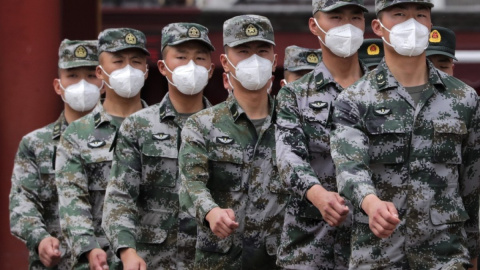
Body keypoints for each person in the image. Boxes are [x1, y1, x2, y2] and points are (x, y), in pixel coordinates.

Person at [330, 0, 479, 269]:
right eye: (399, 14)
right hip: (378, 254)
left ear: (430, 25)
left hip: (445, 255)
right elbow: (349, 166)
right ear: (377, 26)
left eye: (420, 15)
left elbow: (472, 182)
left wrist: (473, 249)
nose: (412, 24)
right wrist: (371, 202)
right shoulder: (354, 100)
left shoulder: (464, 99)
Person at [102, 22, 215, 270]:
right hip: (154, 261)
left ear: (211, 69)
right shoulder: (138, 126)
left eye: (199, 58)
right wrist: (127, 252)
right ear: (163, 67)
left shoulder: (225, 127)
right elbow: (120, 197)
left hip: (211, 259)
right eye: (182, 57)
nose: (191, 66)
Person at [179, 14, 288, 269]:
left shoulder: (292, 123)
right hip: (221, 259)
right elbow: (190, 185)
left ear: (274, 61)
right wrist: (211, 211)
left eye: (262, 51)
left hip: (279, 258)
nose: (254, 60)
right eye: (244, 51)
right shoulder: (201, 125)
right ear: (226, 62)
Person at [275, 0, 368, 269]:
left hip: (374, 245)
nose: (347, 27)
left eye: (355, 18)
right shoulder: (295, 94)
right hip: (310, 243)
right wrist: (318, 195)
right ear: (314, 25)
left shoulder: (383, 92)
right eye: (336, 17)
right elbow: (288, 156)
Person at [55, 28, 150, 270]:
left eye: (136, 61)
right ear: (101, 72)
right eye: (118, 61)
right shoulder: (77, 134)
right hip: (102, 260)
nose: (128, 70)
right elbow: (72, 201)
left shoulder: (165, 128)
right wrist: (88, 247)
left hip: (158, 258)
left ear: (146, 72)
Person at [9, 39, 102, 270]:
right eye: (72, 76)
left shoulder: (123, 137)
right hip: (57, 262)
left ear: (104, 82)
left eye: (91, 76)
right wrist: (40, 239)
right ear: (58, 85)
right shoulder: (34, 144)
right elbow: (23, 203)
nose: (83, 84)